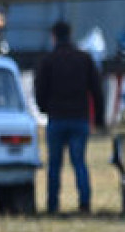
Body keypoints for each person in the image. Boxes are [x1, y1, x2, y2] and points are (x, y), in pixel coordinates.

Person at [35, 20, 105, 214]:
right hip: (80, 118)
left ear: (54, 36)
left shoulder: (48, 60)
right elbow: (97, 91)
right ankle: (84, 203)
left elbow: (40, 89)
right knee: (79, 162)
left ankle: (53, 205)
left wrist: (44, 108)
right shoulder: (84, 59)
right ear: (71, 34)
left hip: (56, 118)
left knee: (54, 165)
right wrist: (98, 119)